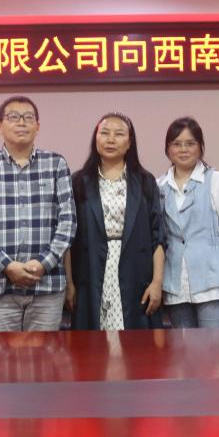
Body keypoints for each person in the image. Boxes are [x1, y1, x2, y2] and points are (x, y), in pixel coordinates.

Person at [0, 96, 76, 331]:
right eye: (13, 117)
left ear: (38, 126)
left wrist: (43, 263)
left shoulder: (55, 164)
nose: (21, 123)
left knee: (44, 354)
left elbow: (68, 221)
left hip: (46, 286)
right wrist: (6, 266)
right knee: (2, 354)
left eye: (28, 117)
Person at [65, 112, 165, 330]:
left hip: (135, 270)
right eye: (105, 133)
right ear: (95, 139)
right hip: (91, 270)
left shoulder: (145, 181)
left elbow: (157, 237)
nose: (111, 140)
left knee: (135, 341)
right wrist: (69, 283)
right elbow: (68, 238)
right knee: (93, 340)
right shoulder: (78, 182)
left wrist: (157, 283)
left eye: (119, 134)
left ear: (129, 143)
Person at [156, 117, 219, 328]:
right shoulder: (159, 186)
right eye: (176, 144)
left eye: (190, 143)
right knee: (181, 348)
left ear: (200, 147)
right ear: (168, 149)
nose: (183, 149)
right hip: (175, 284)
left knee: (213, 347)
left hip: (212, 284)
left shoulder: (217, 181)